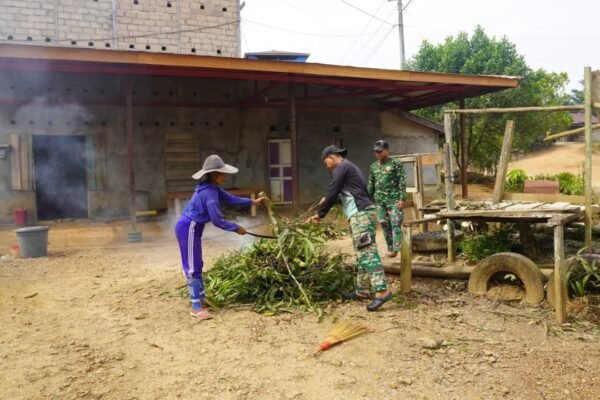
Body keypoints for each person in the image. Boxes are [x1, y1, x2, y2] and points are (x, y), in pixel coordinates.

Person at [175, 154, 263, 320]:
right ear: (214, 174)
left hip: (193, 227)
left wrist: (252, 202)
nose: (225, 177)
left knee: (198, 263)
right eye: (222, 174)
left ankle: (200, 297)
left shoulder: (213, 188)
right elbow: (217, 220)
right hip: (189, 227)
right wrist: (236, 228)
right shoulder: (209, 193)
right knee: (193, 265)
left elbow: (230, 199)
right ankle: (195, 306)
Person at [309, 145, 392, 311]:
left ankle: (382, 291)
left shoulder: (342, 167)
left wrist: (320, 213)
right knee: (361, 252)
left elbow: (333, 190)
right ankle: (362, 290)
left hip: (361, 214)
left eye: (326, 162)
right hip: (361, 213)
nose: (327, 166)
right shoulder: (348, 168)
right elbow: (347, 195)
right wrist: (330, 199)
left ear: (332, 157)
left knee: (367, 252)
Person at [367, 140, 407, 258]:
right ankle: (390, 248)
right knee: (384, 224)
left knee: (395, 224)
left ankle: (396, 249)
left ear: (387, 151)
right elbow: (371, 184)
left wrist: (402, 198)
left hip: (394, 200)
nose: (378, 154)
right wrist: (366, 198)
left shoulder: (395, 163)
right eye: (376, 152)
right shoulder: (373, 166)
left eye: (380, 151)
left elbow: (402, 181)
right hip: (380, 201)